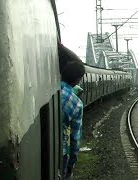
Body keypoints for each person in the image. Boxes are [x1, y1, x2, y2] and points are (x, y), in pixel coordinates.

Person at [59, 45, 85, 179]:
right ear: (78, 80)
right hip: (61, 152)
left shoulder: (49, 89)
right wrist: (72, 163)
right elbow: (75, 138)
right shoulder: (77, 103)